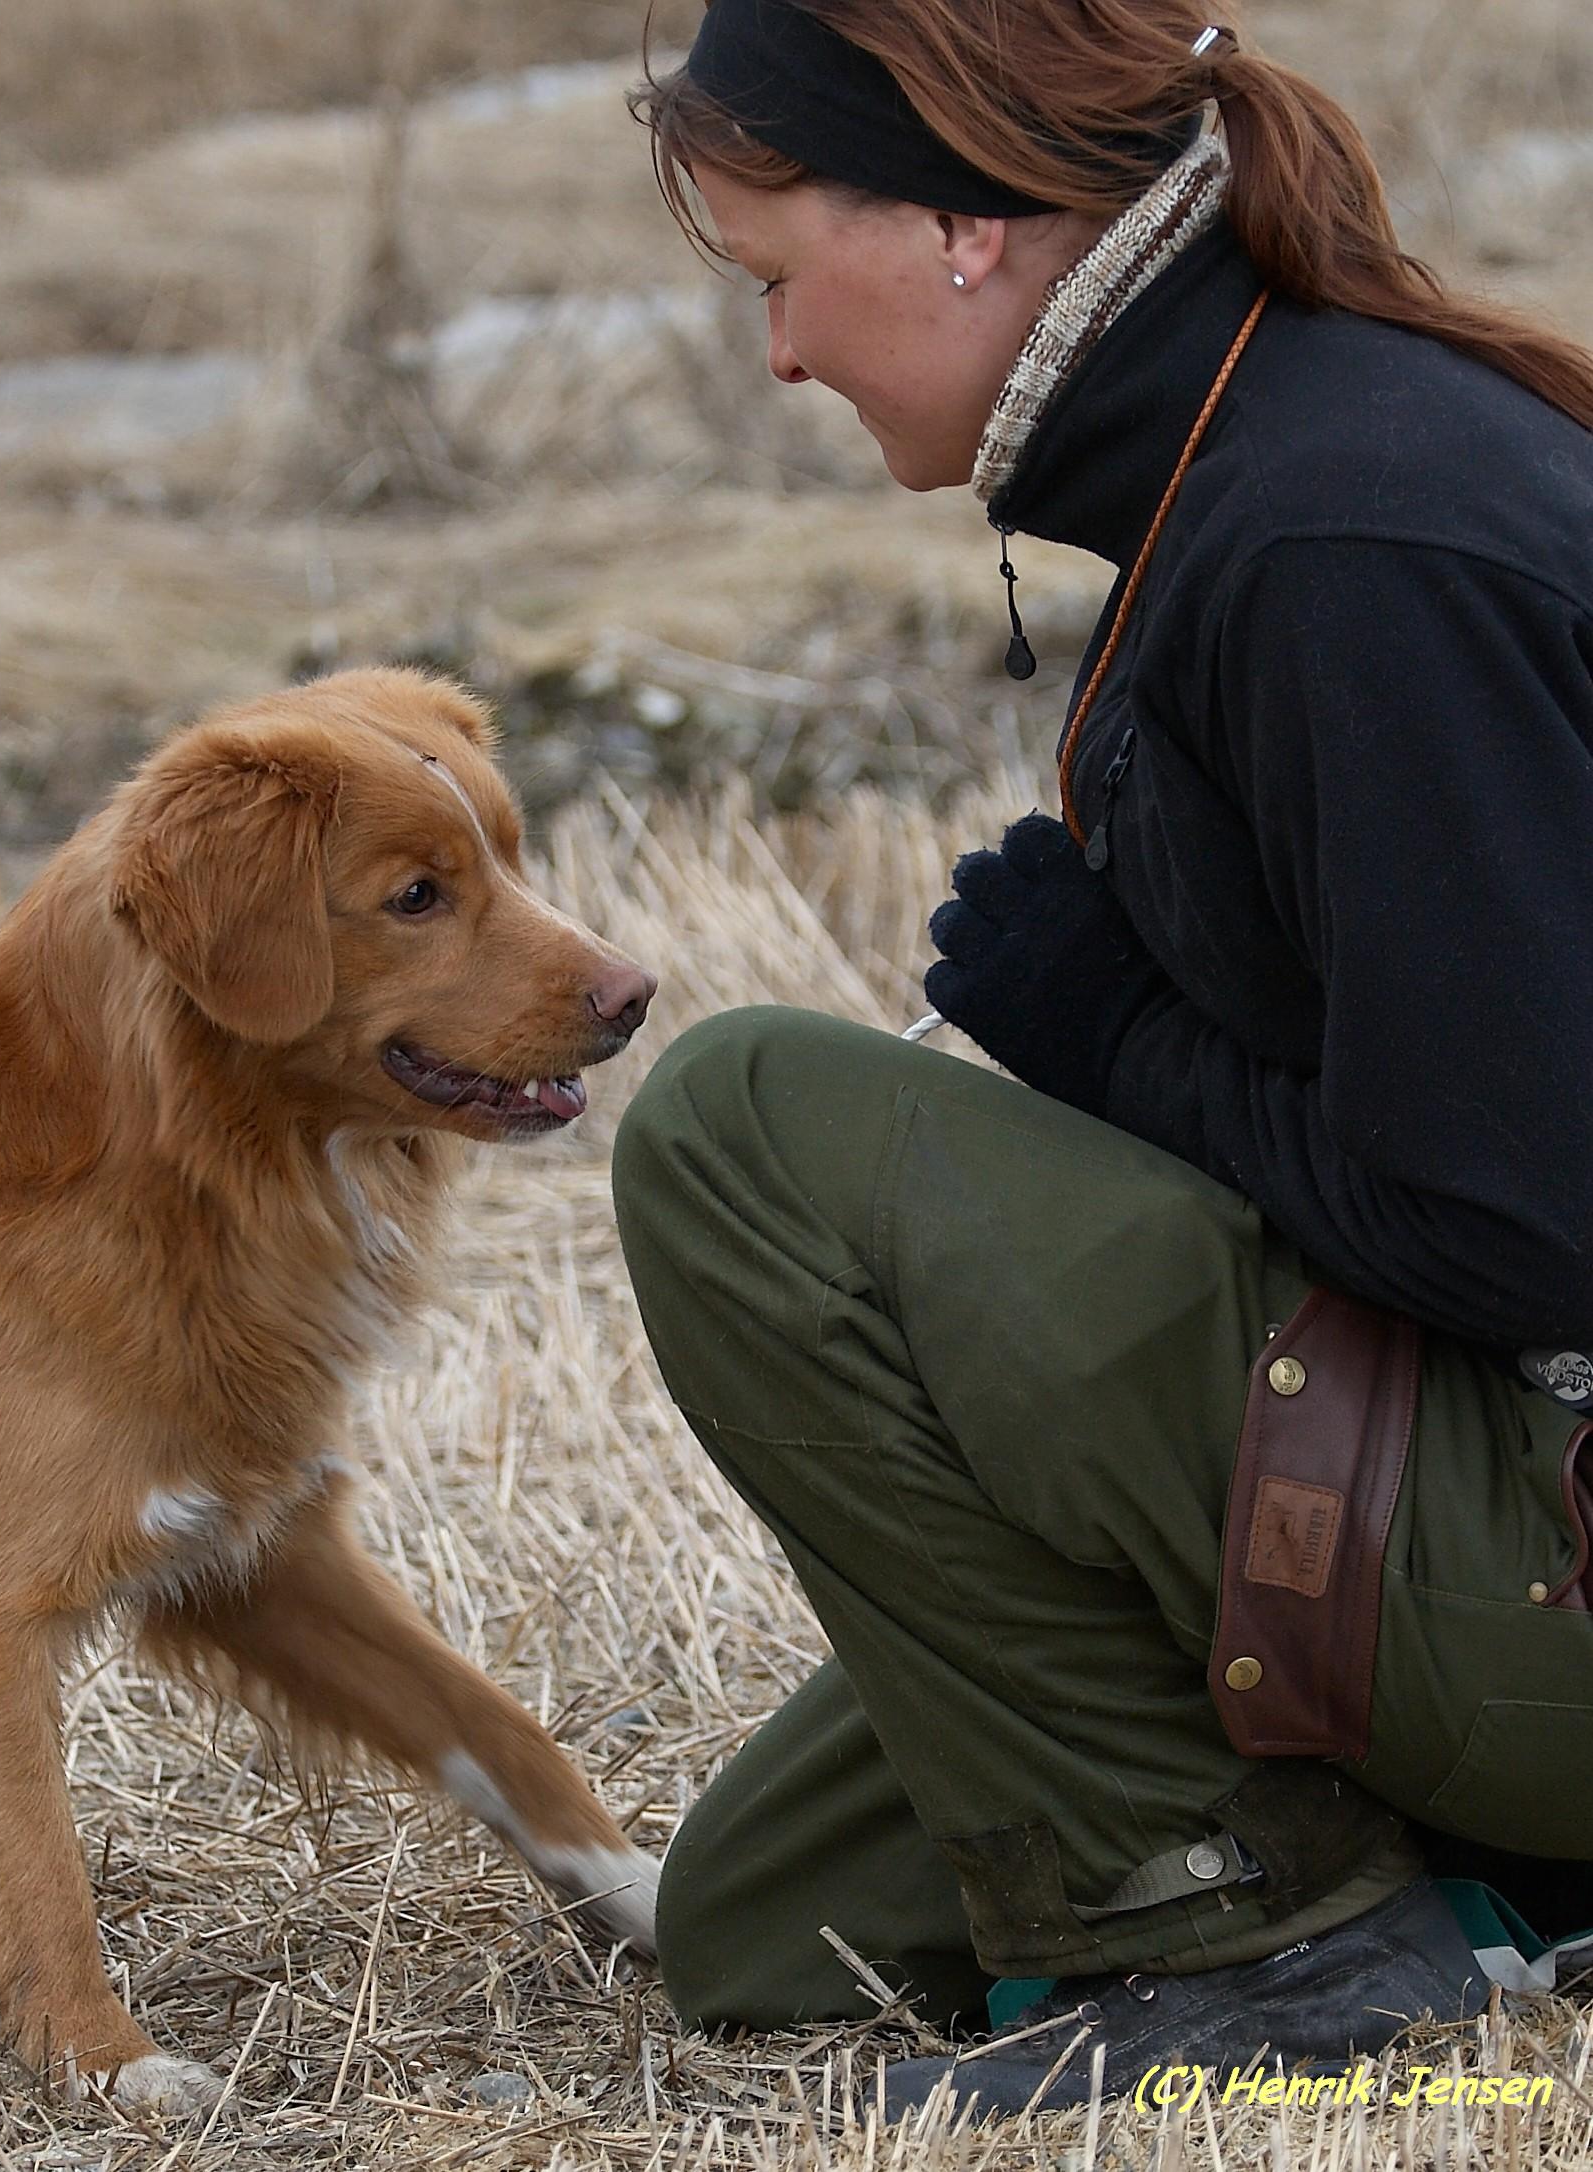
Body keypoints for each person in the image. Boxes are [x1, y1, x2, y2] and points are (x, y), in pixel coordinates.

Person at [615, 0, 1593, 2119]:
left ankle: (1268, 1961)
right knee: (770, 1925)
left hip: (1557, 1525)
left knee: (735, 1126)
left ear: (965, 225)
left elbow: (1520, 1229)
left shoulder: (1351, 538)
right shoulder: (1270, 452)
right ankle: (1486, 1868)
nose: (776, 355)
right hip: (1496, 1476)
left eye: (774, 271)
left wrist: (1110, 1037)